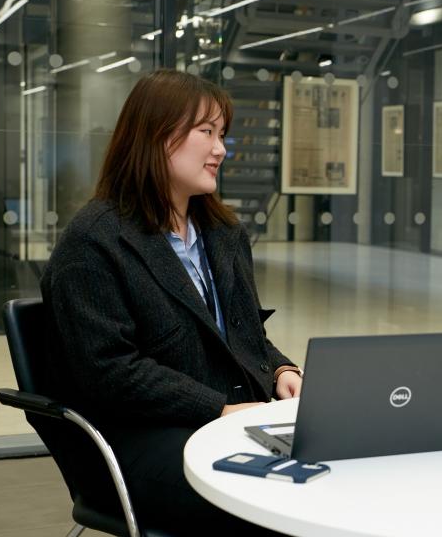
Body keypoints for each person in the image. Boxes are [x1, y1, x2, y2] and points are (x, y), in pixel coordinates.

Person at [40, 69, 300, 534]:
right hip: (141, 437)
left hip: (229, 422)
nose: (221, 149)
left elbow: (246, 336)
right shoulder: (94, 242)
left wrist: (280, 371)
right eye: (207, 132)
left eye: (222, 134)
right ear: (156, 136)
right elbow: (109, 374)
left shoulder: (223, 234)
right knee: (274, 502)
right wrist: (218, 408)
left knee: (334, 475)